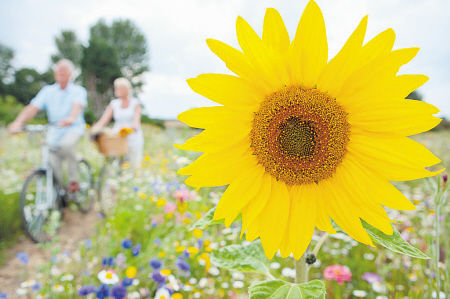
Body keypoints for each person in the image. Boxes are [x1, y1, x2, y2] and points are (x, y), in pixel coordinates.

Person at [7, 59, 87, 192]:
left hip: (73, 128)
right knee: (52, 163)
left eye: (64, 71)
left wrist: (71, 118)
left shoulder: (78, 91)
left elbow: (77, 106)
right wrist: (18, 122)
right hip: (55, 131)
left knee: (67, 145)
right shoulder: (48, 91)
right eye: (58, 71)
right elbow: (32, 108)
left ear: (70, 74)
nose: (60, 73)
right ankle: (60, 194)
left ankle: (74, 181)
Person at [92, 77, 144, 167]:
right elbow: (104, 120)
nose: (118, 90)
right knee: (117, 164)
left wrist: (132, 128)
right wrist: (95, 128)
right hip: (118, 136)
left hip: (133, 136)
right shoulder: (114, 104)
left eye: (121, 88)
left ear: (127, 89)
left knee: (134, 163)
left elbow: (136, 120)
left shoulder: (135, 103)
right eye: (117, 88)